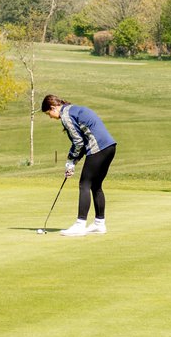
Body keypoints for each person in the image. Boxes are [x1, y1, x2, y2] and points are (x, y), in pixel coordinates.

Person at [42, 94, 117, 236]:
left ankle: (80, 225)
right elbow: (82, 142)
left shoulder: (66, 116)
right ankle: (99, 224)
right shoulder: (73, 109)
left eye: (48, 113)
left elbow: (78, 142)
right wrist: (73, 162)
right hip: (110, 147)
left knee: (84, 184)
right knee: (96, 185)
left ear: (53, 107)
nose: (51, 117)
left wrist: (70, 161)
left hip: (98, 148)